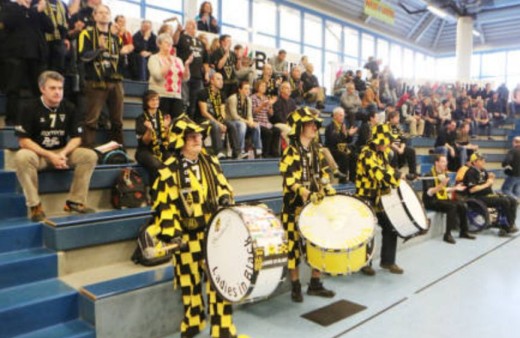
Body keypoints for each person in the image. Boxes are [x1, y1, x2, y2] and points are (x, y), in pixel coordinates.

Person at [149, 114, 246, 338]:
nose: (197, 140)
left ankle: (222, 328)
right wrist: (172, 234)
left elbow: (224, 187)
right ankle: (193, 321)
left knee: (219, 282)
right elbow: (164, 204)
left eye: (199, 136)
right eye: (191, 137)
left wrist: (223, 197)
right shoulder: (169, 169)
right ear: (180, 141)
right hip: (186, 236)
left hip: (214, 235)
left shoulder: (211, 161)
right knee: (188, 282)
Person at [14, 71, 97, 222]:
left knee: (89, 155)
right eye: (52, 88)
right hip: (38, 154)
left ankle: (75, 202)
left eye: (60, 88)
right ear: (42, 89)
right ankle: (35, 206)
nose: (58, 92)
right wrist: (49, 155)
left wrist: (62, 154)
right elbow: (23, 141)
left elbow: (77, 138)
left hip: (61, 152)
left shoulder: (70, 107)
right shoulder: (29, 107)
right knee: (22, 156)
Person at [280, 107, 336, 302]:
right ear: (300, 127)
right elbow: (290, 181)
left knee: (319, 242)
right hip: (293, 207)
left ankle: (315, 283)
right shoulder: (290, 151)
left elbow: (323, 174)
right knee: (293, 247)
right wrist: (306, 193)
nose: (314, 127)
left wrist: (328, 188)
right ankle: (295, 286)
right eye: (310, 124)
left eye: (315, 124)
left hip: (314, 206)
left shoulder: (316, 150)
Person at [78, 4, 132, 147]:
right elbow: (83, 57)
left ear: (110, 16)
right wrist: (99, 50)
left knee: (117, 120)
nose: (103, 15)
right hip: (96, 81)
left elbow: (121, 64)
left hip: (115, 81)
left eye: (106, 13)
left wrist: (124, 54)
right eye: (100, 12)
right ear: (94, 16)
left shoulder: (116, 38)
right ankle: (87, 149)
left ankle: (118, 150)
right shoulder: (86, 34)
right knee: (91, 119)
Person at [355, 123, 404, 275]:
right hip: (365, 196)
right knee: (368, 230)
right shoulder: (366, 153)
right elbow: (378, 173)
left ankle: (388, 261)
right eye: (387, 141)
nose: (389, 144)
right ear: (379, 140)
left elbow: (388, 170)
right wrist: (396, 176)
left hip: (378, 197)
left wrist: (402, 175)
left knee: (390, 226)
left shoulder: (382, 154)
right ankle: (364, 263)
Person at [422, 155, 476, 244]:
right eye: (443, 161)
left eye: (445, 161)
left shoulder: (444, 174)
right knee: (452, 206)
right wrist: (441, 185)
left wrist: (455, 188)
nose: (445, 163)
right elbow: (430, 192)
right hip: (431, 201)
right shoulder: (429, 175)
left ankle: (464, 231)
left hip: (442, 199)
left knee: (462, 205)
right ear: (437, 163)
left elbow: (444, 190)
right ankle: (447, 234)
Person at [463, 153, 518, 236]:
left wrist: (491, 179)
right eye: (481, 160)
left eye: (483, 160)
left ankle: (510, 224)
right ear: (474, 162)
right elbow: (472, 190)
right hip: (477, 197)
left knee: (513, 200)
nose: (484, 161)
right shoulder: (471, 172)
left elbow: (487, 185)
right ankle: (504, 226)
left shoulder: (483, 171)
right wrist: (487, 184)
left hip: (487, 195)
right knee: (504, 201)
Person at [194, 72, 240, 159]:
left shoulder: (222, 94)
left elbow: (222, 112)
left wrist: (222, 122)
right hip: (202, 120)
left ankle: (236, 153)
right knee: (214, 125)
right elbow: (204, 112)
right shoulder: (203, 93)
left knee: (231, 125)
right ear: (211, 81)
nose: (221, 81)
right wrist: (219, 124)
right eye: (218, 79)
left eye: (222, 79)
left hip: (216, 119)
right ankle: (218, 152)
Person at [148, 33, 192, 120]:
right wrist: (169, 64)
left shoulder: (178, 60)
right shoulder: (154, 58)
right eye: (166, 42)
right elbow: (157, 76)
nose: (169, 45)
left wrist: (187, 65)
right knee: (162, 124)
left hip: (176, 96)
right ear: (159, 44)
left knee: (177, 125)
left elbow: (185, 78)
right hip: (160, 96)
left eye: (171, 43)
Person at [135, 90, 172, 185]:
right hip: (145, 151)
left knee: (173, 162)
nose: (155, 102)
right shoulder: (141, 118)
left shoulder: (163, 116)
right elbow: (145, 142)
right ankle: (155, 194)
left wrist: (167, 128)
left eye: (157, 99)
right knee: (157, 165)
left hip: (161, 149)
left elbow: (168, 141)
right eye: (152, 100)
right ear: (146, 102)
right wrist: (149, 130)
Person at [176, 19, 209, 119]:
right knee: (184, 99)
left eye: (194, 24)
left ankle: (192, 122)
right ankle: (182, 120)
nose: (193, 26)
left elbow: (205, 61)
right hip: (185, 74)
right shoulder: (182, 38)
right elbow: (174, 42)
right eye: (190, 24)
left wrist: (206, 73)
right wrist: (178, 31)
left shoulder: (200, 42)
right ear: (186, 27)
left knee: (194, 101)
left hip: (198, 76)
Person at [226, 81, 262, 159]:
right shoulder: (233, 98)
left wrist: (251, 122)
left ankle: (258, 149)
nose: (248, 91)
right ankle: (240, 150)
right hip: (230, 121)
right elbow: (234, 116)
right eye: (245, 89)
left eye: (249, 89)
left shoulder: (248, 99)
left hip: (242, 121)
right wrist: (247, 122)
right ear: (240, 90)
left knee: (256, 125)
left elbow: (249, 115)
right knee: (242, 125)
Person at [325, 107, 357, 183]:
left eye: (343, 115)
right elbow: (334, 141)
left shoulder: (342, 126)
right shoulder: (330, 126)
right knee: (344, 156)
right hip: (332, 149)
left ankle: (353, 178)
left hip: (340, 149)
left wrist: (349, 135)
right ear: (335, 116)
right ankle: (343, 180)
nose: (342, 117)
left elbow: (348, 141)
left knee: (354, 156)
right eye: (340, 115)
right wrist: (343, 134)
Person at [251, 79, 280, 158]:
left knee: (277, 130)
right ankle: (265, 153)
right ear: (257, 87)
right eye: (262, 86)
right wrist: (262, 106)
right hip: (257, 122)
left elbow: (271, 114)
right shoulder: (253, 97)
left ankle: (274, 152)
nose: (264, 88)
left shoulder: (266, 98)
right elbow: (253, 112)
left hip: (266, 122)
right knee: (268, 133)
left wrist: (270, 105)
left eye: (265, 86)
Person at [387, 110, 417, 179]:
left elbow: (403, 139)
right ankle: (395, 173)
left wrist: (402, 148)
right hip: (390, 148)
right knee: (393, 152)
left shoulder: (398, 127)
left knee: (411, 151)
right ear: (391, 118)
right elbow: (388, 141)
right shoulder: (386, 127)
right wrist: (398, 149)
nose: (399, 119)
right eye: (397, 117)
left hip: (399, 148)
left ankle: (413, 173)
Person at [210, 34, 237, 99]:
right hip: (223, 83)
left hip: (233, 82)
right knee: (223, 102)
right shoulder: (216, 52)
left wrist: (239, 59)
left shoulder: (232, 53)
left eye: (231, 41)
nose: (230, 43)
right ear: (222, 42)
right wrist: (226, 54)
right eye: (228, 41)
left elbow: (237, 67)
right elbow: (219, 66)